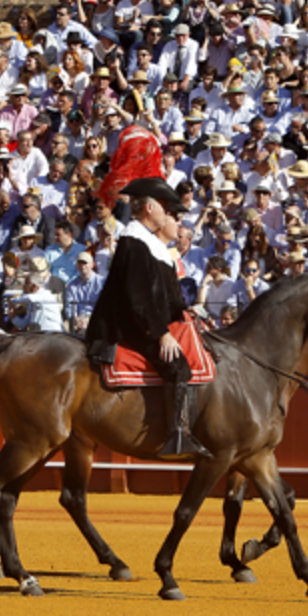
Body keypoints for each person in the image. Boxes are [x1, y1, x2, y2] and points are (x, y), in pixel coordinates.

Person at [85, 177, 209, 459]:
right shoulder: (134, 242)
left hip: (143, 321)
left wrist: (184, 310)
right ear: (150, 208)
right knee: (178, 366)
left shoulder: (147, 244)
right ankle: (177, 436)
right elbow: (138, 298)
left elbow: (164, 296)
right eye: (166, 209)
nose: (169, 216)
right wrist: (160, 333)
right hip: (127, 327)